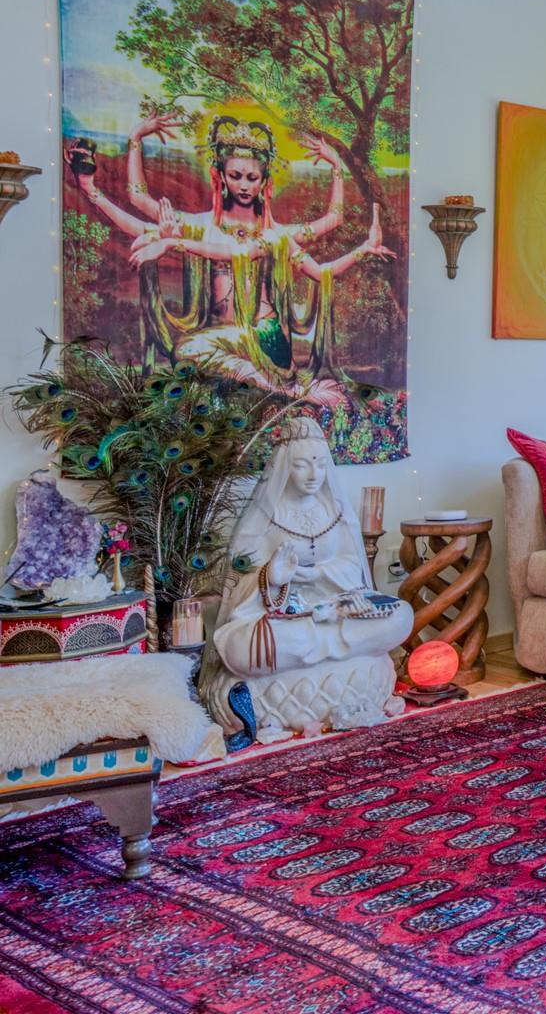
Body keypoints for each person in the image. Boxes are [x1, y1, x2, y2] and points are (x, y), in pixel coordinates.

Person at [71, 111, 391, 407]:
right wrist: (105, 173)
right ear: (221, 176)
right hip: (224, 338)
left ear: (264, 181)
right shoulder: (201, 226)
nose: (244, 185)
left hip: (264, 337)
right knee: (189, 357)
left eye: (252, 178)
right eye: (236, 175)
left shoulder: (274, 235)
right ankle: (285, 389)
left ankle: (289, 390)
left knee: (188, 351)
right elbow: (138, 204)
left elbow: (329, 231)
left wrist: (337, 171)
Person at [200, 417, 410, 741]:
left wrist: (320, 573)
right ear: (285, 466)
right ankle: (324, 652)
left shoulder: (334, 509)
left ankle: (318, 651)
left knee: (400, 616)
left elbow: (354, 566)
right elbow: (238, 579)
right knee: (245, 646)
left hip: (337, 611)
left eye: (321, 465)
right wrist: (272, 576)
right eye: (301, 466)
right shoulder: (267, 513)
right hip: (288, 620)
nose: (314, 476)